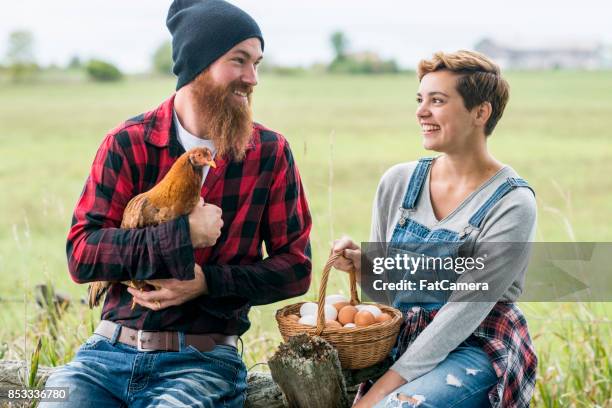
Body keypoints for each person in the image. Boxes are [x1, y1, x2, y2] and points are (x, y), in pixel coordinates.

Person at [41, 1, 311, 406]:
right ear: (197, 64)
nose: (252, 78)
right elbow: (81, 255)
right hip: (105, 355)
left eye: (256, 63)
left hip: (203, 361)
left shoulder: (268, 153)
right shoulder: (129, 142)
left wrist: (207, 282)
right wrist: (180, 236)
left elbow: (296, 269)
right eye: (239, 61)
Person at [333, 50, 537, 407]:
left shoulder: (512, 203)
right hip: (404, 341)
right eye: (420, 99)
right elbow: (387, 299)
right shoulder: (398, 182)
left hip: (476, 346)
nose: (421, 111)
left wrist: (380, 392)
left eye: (437, 100)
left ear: (480, 112)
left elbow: (462, 314)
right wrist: (364, 267)